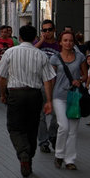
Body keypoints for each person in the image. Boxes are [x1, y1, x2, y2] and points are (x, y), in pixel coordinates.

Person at [0, 24, 55, 177]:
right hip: (35, 94)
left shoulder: (10, 52)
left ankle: (23, 154)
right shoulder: (40, 55)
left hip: (16, 93)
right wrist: (49, 100)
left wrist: (3, 94)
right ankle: (29, 157)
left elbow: (2, 77)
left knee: (15, 127)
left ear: (19, 37)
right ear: (35, 38)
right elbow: (48, 79)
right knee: (32, 127)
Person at [49, 31, 87, 170]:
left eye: (70, 40)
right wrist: (49, 98)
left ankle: (70, 159)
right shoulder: (55, 58)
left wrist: (80, 80)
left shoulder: (80, 57)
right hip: (58, 96)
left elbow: (86, 75)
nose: (68, 43)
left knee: (73, 130)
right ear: (60, 42)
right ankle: (59, 155)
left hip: (74, 96)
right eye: (65, 40)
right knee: (63, 127)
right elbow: (51, 79)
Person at [35, 19, 60, 153]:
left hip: (56, 84)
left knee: (57, 115)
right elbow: (30, 52)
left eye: (50, 29)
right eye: (44, 30)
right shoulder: (38, 45)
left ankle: (53, 135)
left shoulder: (60, 45)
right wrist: (41, 41)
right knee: (40, 116)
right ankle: (43, 142)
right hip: (40, 84)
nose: (47, 32)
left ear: (54, 30)